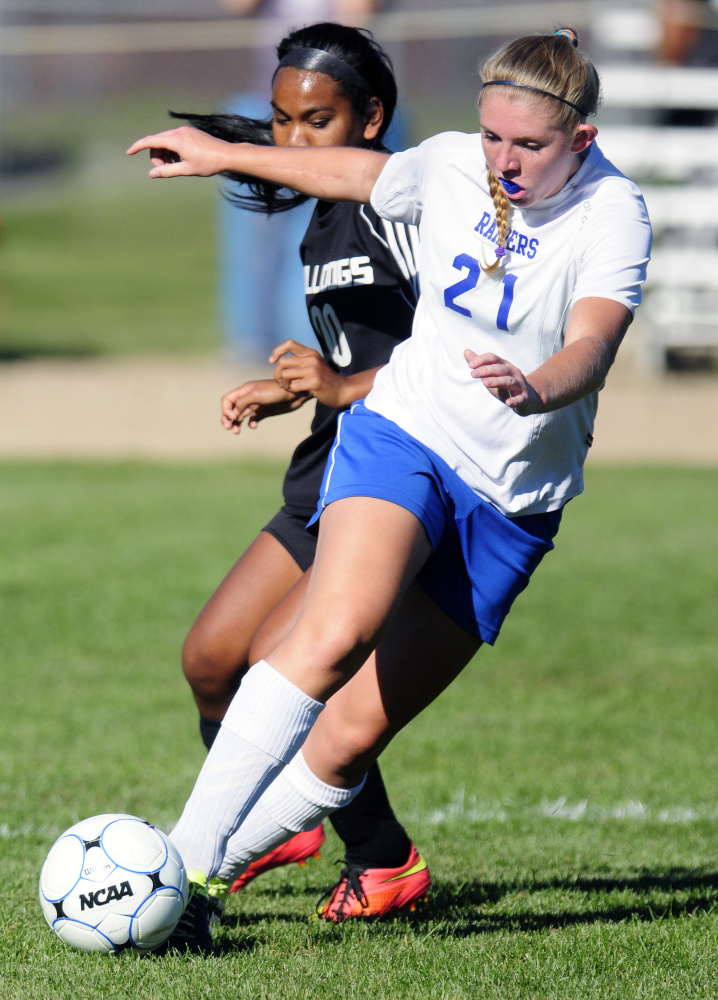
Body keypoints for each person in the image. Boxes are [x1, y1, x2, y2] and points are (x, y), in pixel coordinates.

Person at [128, 25, 652, 953]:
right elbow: (349, 174)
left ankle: (190, 881)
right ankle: (179, 873)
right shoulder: (452, 166)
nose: (504, 161)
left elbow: (594, 342)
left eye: (528, 145)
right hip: (406, 433)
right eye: (493, 137)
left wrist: (540, 385)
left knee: (344, 743)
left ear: (583, 137)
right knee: (329, 635)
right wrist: (219, 153)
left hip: (514, 504)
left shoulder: (613, 212)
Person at [171, 22, 428, 923]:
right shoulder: (322, 215)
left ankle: (377, 856)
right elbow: (361, 346)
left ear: (373, 117)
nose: (292, 143)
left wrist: (348, 383)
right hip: (324, 464)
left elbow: (456, 353)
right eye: (280, 123)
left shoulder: (409, 205)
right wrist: (298, 394)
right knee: (210, 660)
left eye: (317, 122)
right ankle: (328, 835)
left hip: (393, 479)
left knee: (279, 668)